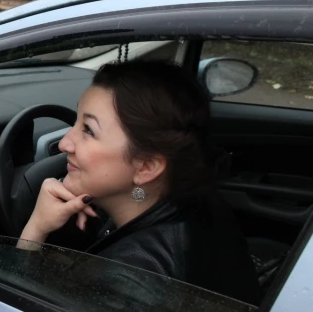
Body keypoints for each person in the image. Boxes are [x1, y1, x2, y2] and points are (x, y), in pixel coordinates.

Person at [18, 60, 261, 305]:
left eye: (89, 130)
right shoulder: (196, 204)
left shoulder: (124, 284)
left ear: (146, 167)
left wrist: (35, 230)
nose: (64, 143)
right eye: (76, 122)